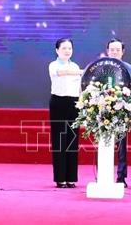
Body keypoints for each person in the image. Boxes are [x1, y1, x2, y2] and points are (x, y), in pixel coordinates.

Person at [48, 38, 82, 188]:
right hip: (59, 103)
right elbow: (63, 72)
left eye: (70, 48)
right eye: (64, 48)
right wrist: (83, 72)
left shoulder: (75, 65)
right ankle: (60, 178)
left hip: (74, 104)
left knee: (72, 140)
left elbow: (79, 88)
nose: (67, 51)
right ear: (57, 50)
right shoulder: (53, 65)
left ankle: (71, 178)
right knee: (59, 140)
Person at [105, 38, 131, 187]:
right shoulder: (100, 66)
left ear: (123, 52)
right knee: (104, 143)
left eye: (118, 50)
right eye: (112, 49)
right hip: (103, 110)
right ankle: (103, 175)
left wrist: (130, 110)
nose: (115, 52)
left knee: (122, 146)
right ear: (107, 51)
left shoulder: (129, 68)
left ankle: (121, 177)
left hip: (122, 111)